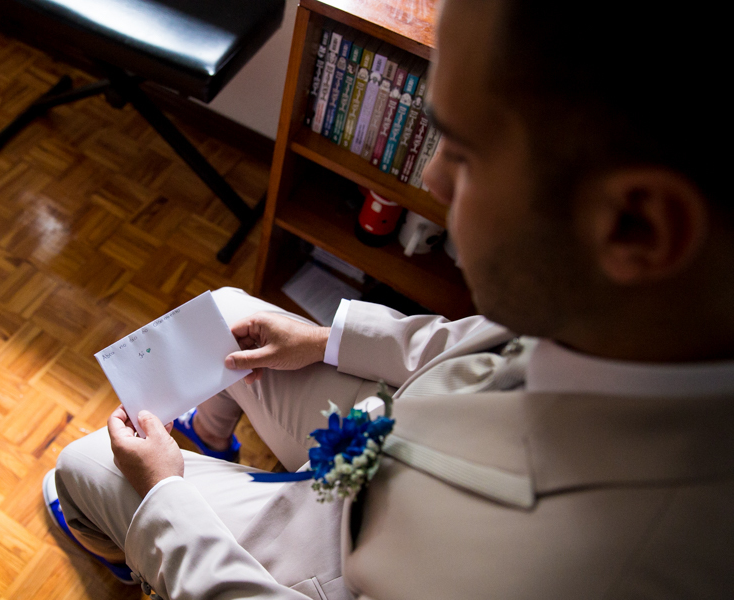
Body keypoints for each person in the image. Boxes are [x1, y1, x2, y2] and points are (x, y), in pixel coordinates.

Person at [43, 0, 734, 597]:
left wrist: (168, 501)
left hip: (336, 562)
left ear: (637, 223)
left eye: (462, 153)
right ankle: (209, 440)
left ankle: (139, 534)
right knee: (230, 314)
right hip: (378, 444)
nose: (431, 179)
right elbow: (472, 341)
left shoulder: (586, 572)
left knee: (79, 467)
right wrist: (321, 340)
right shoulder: (640, 315)